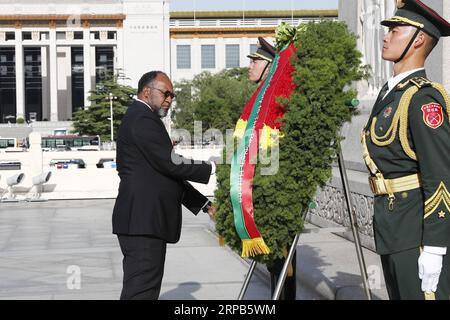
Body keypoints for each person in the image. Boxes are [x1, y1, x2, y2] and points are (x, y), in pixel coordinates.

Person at [362, 0, 450, 300]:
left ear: (419, 39)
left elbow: (440, 176)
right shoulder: (391, 93)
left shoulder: (423, 100)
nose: (386, 36)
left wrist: (435, 249)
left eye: (396, 30)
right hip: (392, 226)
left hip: (416, 232)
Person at [112, 71, 216, 300]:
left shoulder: (144, 117)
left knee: (144, 292)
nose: (169, 99)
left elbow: (164, 176)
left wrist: (204, 205)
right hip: (143, 222)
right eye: (165, 93)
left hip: (144, 222)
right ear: (147, 91)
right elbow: (171, 165)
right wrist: (213, 168)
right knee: (140, 292)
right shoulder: (142, 118)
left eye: (172, 95)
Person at [247, 37, 296, 300]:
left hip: (277, 191)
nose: (250, 67)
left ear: (269, 68)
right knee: (273, 266)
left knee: (283, 266)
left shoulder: (277, 100)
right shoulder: (259, 99)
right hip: (261, 189)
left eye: (255, 62)